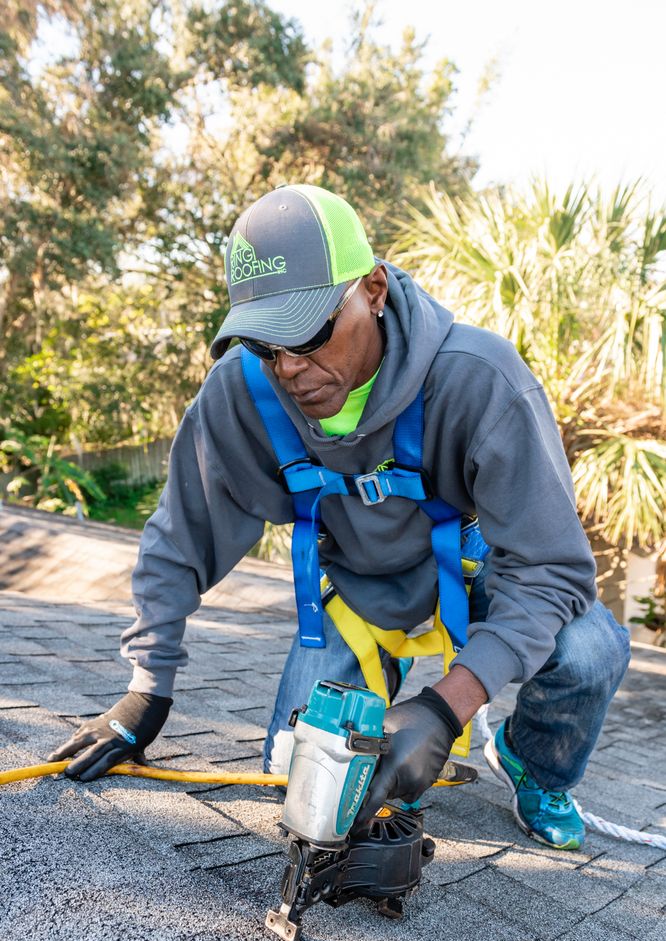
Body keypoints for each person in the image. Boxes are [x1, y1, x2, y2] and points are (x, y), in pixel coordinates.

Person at [49, 184, 630, 850]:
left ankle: (538, 763)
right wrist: (147, 688)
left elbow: (551, 571)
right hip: (361, 589)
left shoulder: (481, 379)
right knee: (301, 786)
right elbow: (180, 536)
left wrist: (448, 706)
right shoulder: (242, 393)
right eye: (267, 345)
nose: (290, 368)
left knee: (590, 648)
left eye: (309, 333)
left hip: (469, 570)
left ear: (374, 291)